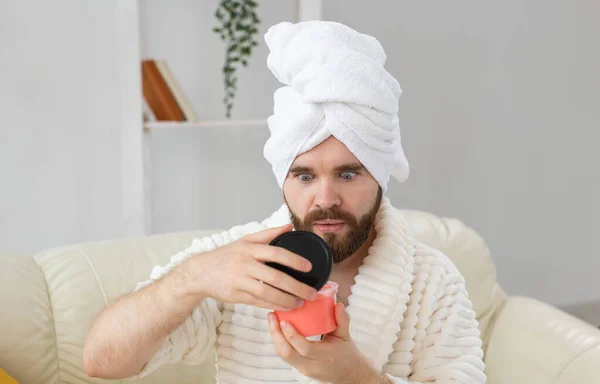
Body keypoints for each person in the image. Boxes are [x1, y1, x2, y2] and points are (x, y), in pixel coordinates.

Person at [83, 20, 486, 384]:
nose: (325, 199)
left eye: (348, 174)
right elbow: (103, 361)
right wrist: (193, 278)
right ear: (283, 178)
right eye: (305, 176)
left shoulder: (433, 281)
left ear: (379, 177)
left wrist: (356, 378)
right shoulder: (232, 265)